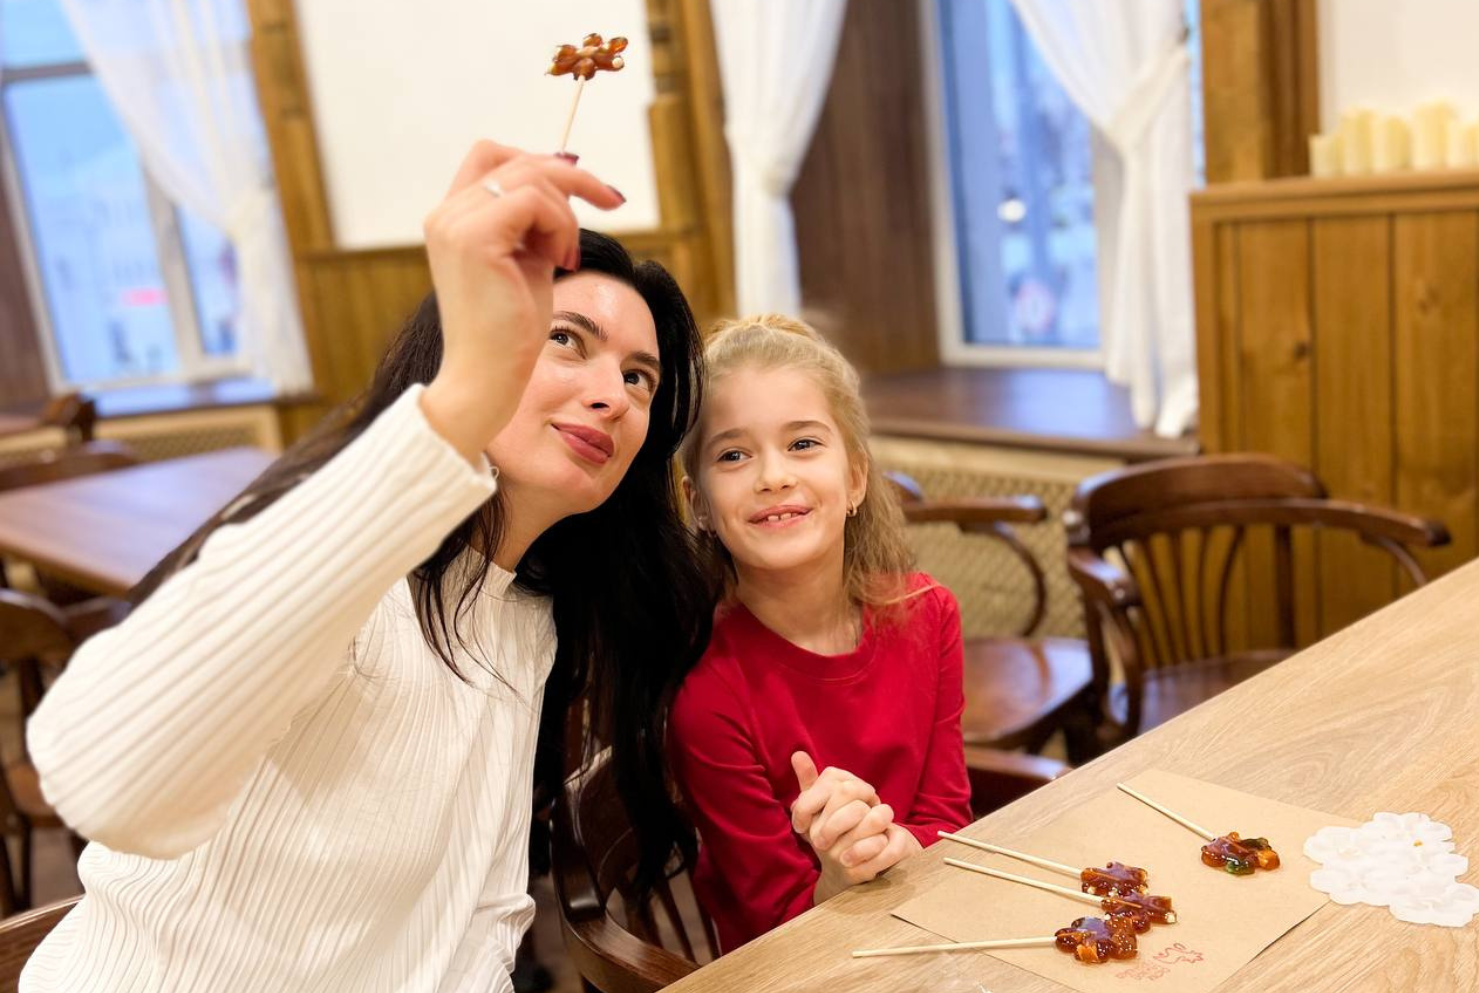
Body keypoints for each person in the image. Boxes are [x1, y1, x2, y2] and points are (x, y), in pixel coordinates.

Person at [23, 142, 713, 992]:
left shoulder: (528, 614)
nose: (613, 393)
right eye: (568, 340)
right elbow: (105, 779)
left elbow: (482, 915)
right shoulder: (346, 561)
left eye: (640, 377)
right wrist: (460, 400)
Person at [667, 314, 972, 952]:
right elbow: (770, 923)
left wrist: (900, 844)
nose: (773, 475)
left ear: (856, 477)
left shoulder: (929, 613)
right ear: (698, 504)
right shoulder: (705, 694)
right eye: (733, 454)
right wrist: (838, 876)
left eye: (803, 444)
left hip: (930, 933)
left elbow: (948, 819)